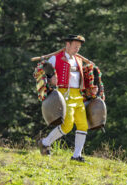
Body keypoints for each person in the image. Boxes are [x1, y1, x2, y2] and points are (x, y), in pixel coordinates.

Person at [38, 34, 97, 162]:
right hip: (64, 94)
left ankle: (77, 155)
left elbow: (82, 78)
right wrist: (51, 78)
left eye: (79, 47)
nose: (77, 49)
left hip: (78, 95)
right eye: (75, 46)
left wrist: (90, 88)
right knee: (68, 124)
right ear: (68, 44)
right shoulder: (56, 58)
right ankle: (45, 142)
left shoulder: (79, 60)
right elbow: (44, 68)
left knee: (82, 124)